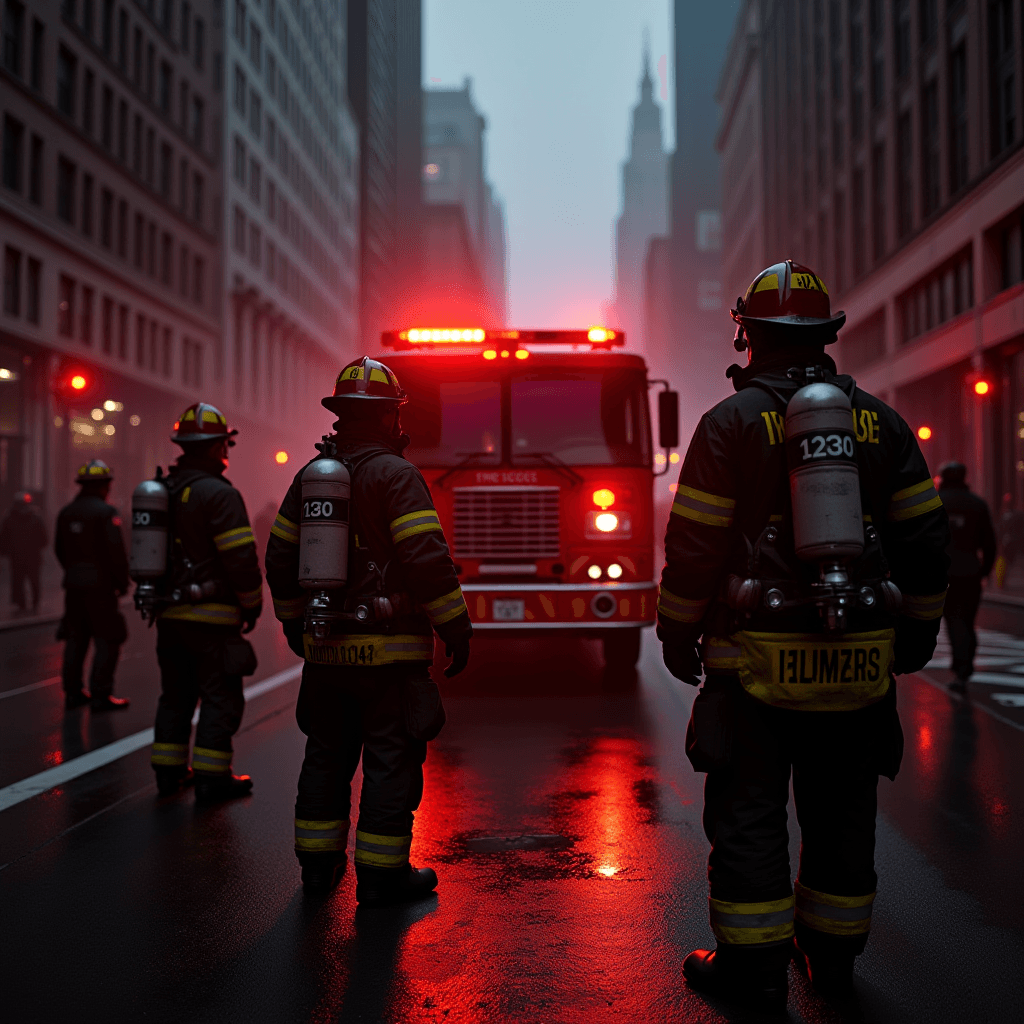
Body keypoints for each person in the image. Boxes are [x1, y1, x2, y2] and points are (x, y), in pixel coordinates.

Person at [657, 260, 949, 1009]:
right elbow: (924, 542)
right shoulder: (880, 423)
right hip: (855, 668)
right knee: (843, 812)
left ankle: (753, 976)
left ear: (746, 335)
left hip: (750, 669)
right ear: (827, 337)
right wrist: (915, 634)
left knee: (750, 814)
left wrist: (676, 631)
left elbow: (693, 546)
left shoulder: (727, 425)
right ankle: (833, 963)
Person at [265, 356, 472, 903]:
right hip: (390, 658)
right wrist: (456, 626)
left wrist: (294, 625)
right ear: (387, 418)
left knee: (326, 755)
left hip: (327, 655)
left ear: (340, 416)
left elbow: (279, 557)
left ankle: (317, 868)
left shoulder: (310, 478)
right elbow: (427, 559)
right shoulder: (396, 475)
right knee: (389, 760)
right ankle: (381, 878)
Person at [149, 403, 264, 800]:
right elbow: (242, 562)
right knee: (220, 698)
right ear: (218, 447)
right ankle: (213, 780)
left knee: (175, 696)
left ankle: (168, 773)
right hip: (213, 622)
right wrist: (252, 604)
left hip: (169, 616)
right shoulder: (220, 494)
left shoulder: (163, 490)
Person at [55, 461, 131, 711]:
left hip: (74, 587)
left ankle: (73, 693)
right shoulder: (106, 513)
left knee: (76, 639)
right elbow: (116, 553)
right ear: (103, 485)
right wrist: (122, 583)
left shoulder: (66, 512)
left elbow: (60, 549)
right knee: (108, 640)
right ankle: (101, 694)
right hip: (100, 589)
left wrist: (74, 572)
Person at [937, 462, 996, 693]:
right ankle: (966, 664)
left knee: (954, 620)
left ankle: (961, 669)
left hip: (945, 573)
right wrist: (984, 571)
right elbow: (989, 544)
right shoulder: (978, 504)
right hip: (971, 572)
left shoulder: (936, 503)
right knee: (968, 621)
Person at [0, 491, 48, 614]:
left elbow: (4, 538)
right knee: (34, 580)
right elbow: (44, 538)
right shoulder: (36, 517)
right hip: (33, 555)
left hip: (16, 556)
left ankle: (21, 603)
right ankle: (35, 602)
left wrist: (5, 551)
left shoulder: (9, 518)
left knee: (18, 580)